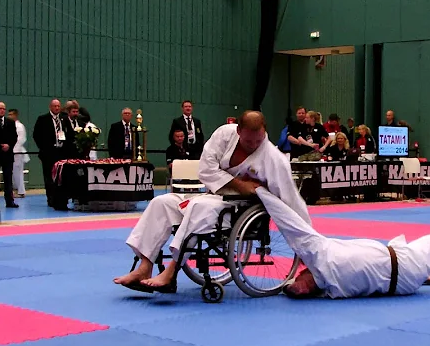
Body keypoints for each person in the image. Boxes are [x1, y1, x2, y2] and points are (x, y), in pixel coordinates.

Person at [113, 111, 310, 293]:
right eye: (249, 141)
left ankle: (171, 271)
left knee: (200, 207)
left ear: (264, 132)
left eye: (258, 140)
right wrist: (240, 184)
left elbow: (292, 200)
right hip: (213, 196)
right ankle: (145, 266)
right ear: (238, 131)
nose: (254, 145)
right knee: (161, 202)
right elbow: (206, 170)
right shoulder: (224, 135)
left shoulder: (274, 159)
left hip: (239, 210)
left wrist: (306, 242)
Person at [253, 187, 430, 299]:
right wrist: (261, 192)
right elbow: (290, 223)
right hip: (405, 265)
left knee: (385, 253)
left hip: (400, 277)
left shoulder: (334, 289)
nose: (300, 270)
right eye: (300, 278)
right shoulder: (322, 257)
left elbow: (298, 283)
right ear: (306, 287)